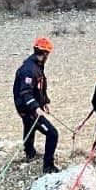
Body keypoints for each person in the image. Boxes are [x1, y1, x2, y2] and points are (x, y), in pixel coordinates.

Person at [13, 37, 60, 174]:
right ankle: (48, 166)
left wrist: (44, 101)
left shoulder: (37, 65)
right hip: (28, 109)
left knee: (29, 127)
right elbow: (26, 92)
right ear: (45, 53)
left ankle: (30, 153)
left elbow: (39, 88)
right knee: (52, 134)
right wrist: (35, 107)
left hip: (27, 108)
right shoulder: (29, 69)